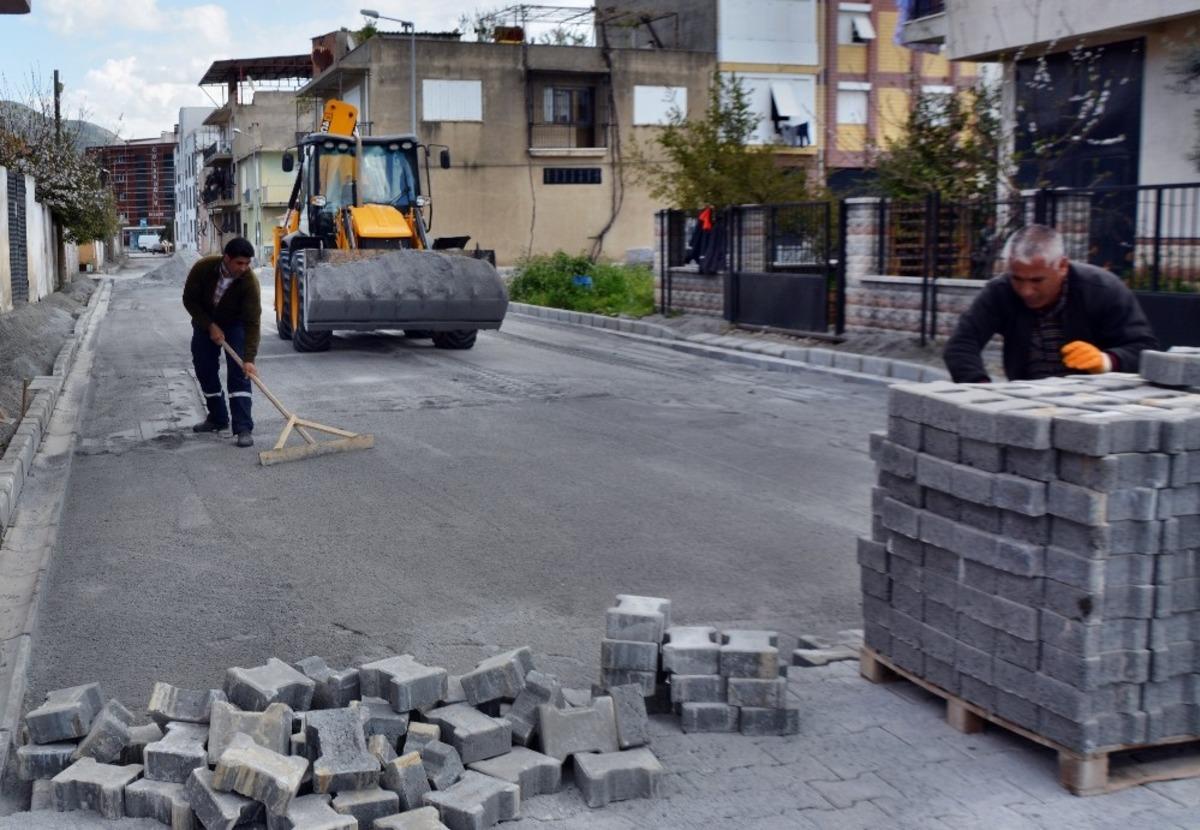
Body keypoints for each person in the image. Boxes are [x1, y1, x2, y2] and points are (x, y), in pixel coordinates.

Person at [943, 224, 1158, 383]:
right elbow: (961, 345)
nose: (1026, 291)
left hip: (1096, 404)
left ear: (1062, 266)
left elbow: (1145, 350)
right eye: (1017, 278)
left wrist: (1106, 361)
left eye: (1037, 280)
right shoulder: (1000, 291)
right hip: (1028, 400)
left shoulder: (1103, 289)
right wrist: (982, 393)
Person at [182, 237, 261, 447]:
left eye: (247, 263)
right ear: (227, 258)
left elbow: (253, 322)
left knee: (240, 373)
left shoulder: (249, 282)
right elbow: (189, 299)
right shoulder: (204, 268)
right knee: (204, 369)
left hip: (235, 324)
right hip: (204, 322)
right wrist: (209, 325)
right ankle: (218, 418)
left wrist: (249, 358)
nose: (243, 268)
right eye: (239, 263)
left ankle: (243, 427)